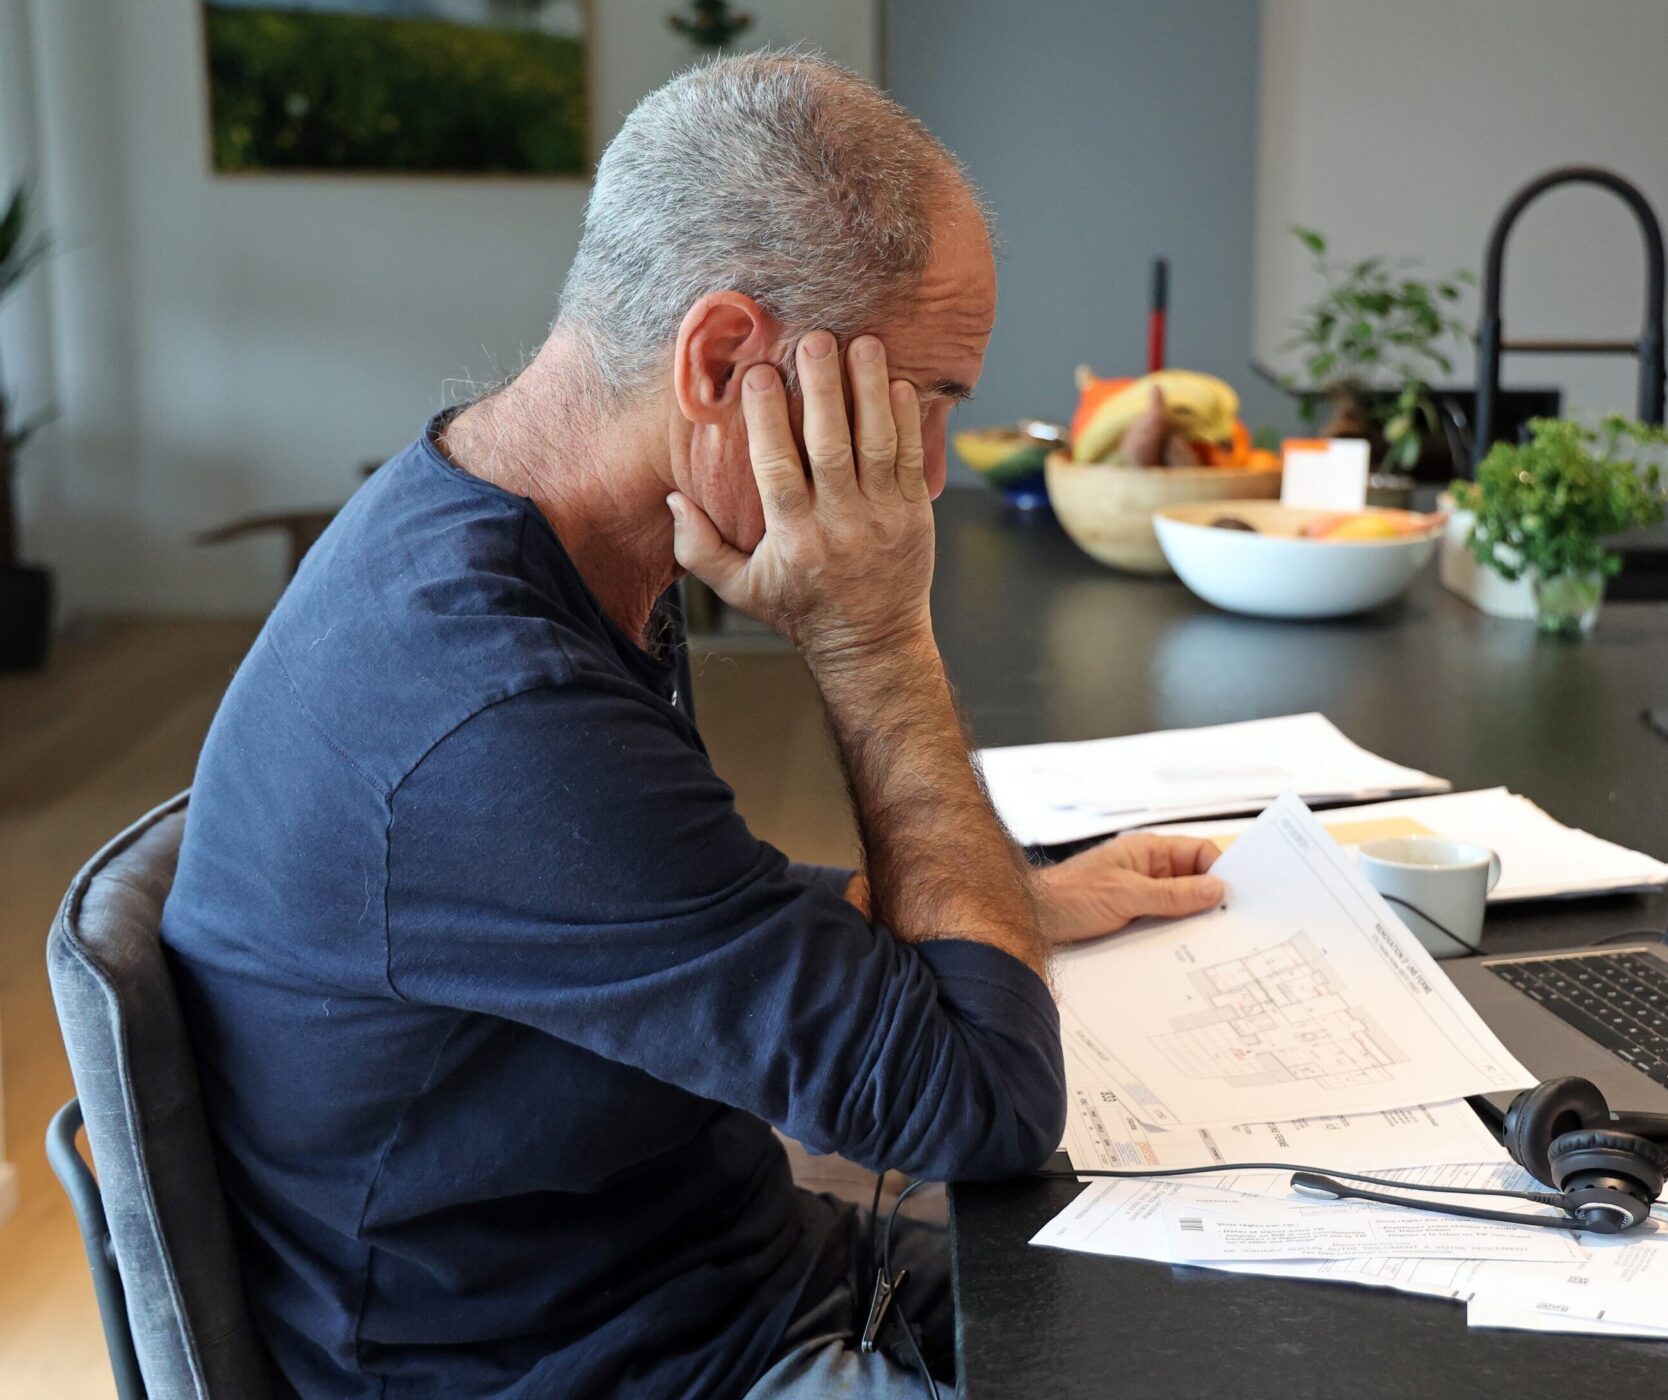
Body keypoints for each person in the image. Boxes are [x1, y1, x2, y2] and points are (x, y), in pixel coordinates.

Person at [161, 54, 1225, 1398]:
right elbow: (985, 1109)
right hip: (607, 1365)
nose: (929, 478)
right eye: (923, 403)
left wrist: (1012, 904)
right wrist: (878, 639)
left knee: (1231, 1329)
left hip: (716, 1279)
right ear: (724, 361)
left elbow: (654, 894)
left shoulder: (502, 522)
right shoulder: (488, 704)